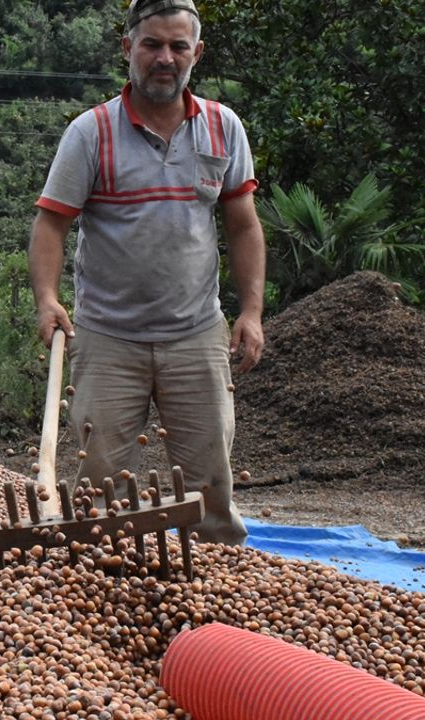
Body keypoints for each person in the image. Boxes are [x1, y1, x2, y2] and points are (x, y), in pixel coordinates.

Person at [28, 0, 264, 545]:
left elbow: (244, 226)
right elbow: (51, 225)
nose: (165, 57)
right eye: (151, 44)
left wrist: (251, 311)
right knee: (98, 477)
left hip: (195, 333)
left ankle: (215, 581)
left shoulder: (223, 128)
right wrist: (47, 299)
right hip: (109, 336)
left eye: (178, 46)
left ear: (196, 53)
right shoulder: (91, 133)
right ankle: (96, 576)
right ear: (127, 50)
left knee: (210, 477)